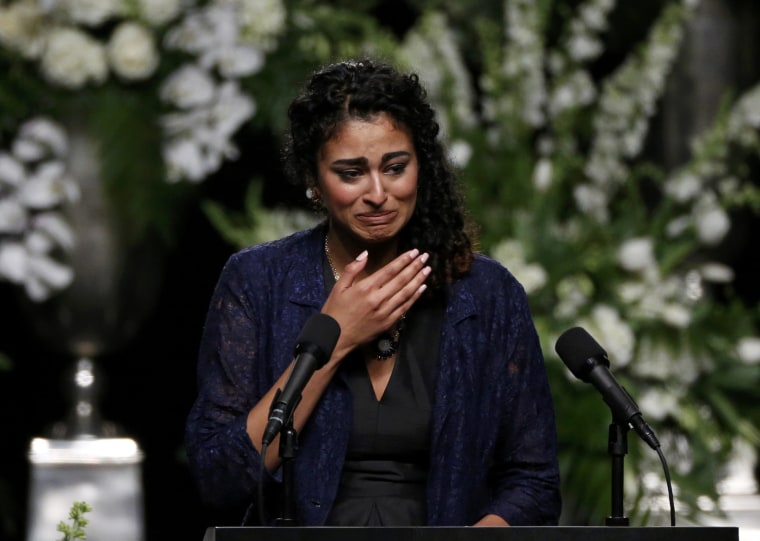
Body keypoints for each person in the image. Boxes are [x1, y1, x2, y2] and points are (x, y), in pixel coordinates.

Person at [185, 57, 561, 527]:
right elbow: (219, 477)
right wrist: (338, 338)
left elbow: (534, 479)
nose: (379, 193)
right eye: (351, 173)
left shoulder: (485, 295)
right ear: (313, 181)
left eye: (395, 167)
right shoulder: (259, 281)